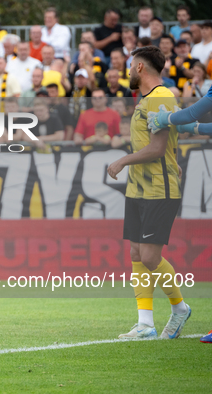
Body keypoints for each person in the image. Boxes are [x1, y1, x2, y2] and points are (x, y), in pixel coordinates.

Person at [107, 46, 190, 340]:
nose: (128, 71)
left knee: (151, 256)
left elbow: (156, 148)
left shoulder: (162, 97)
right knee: (136, 253)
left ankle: (180, 308)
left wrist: (121, 160)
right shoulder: (147, 99)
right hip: (139, 188)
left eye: (131, 66)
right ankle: (145, 323)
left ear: (140, 68)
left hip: (159, 188)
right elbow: (164, 144)